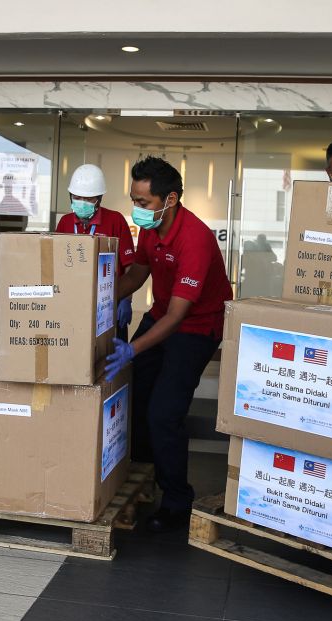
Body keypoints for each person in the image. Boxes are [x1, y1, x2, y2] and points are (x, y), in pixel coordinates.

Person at [104, 157, 233, 533]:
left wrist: (134, 348)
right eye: (134, 200)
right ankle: (144, 474)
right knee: (135, 396)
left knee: (164, 413)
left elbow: (178, 316)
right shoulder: (152, 228)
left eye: (143, 202)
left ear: (170, 199)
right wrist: (103, 297)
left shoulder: (195, 239)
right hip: (162, 314)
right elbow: (140, 272)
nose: (136, 209)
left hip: (196, 327)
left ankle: (177, 501)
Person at [55, 164, 136, 340]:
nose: (82, 202)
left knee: (109, 359)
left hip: (108, 304)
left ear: (99, 199)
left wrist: (126, 299)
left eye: (88, 199)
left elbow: (130, 266)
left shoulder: (116, 220)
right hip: (73, 303)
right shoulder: (65, 223)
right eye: (77, 197)